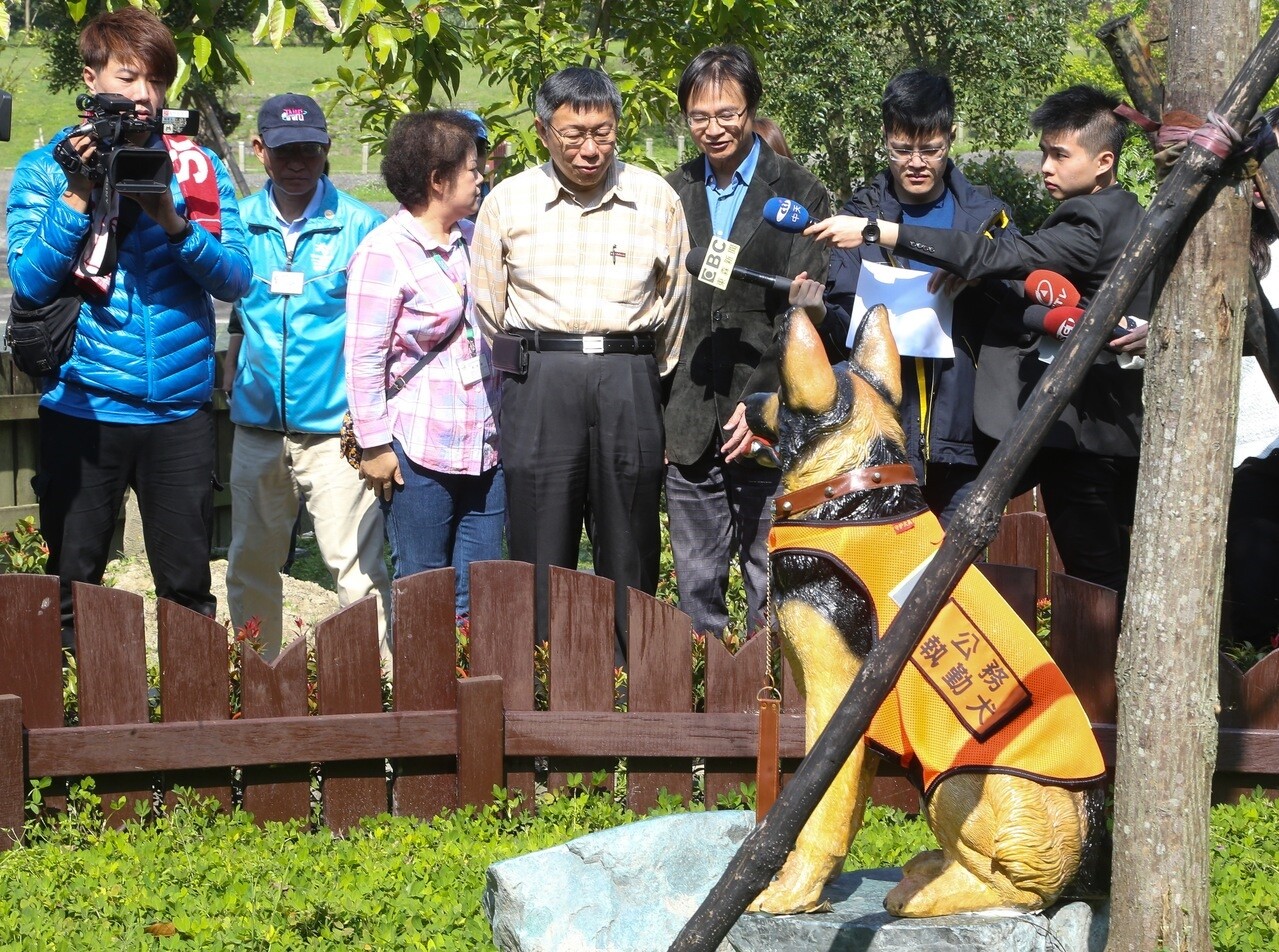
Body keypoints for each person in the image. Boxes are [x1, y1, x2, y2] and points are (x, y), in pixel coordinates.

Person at [807, 85, 1150, 597]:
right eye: (903, 149)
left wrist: (888, 234)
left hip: (1063, 434)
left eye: (1059, 155)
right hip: (891, 427)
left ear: (1104, 161)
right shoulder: (1131, 210)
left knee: (1092, 585)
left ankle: (1099, 676)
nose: (1044, 167)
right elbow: (1041, 299)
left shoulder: (1080, 217)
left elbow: (1002, 261)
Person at [5, 6, 250, 648]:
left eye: (157, 81)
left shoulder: (197, 169)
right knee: (72, 583)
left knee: (188, 591)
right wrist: (80, 192)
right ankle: (69, 725)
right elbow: (30, 282)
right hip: (83, 405)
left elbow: (237, 279)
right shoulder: (45, 169)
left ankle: (189, 733)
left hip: (179, 410)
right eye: (129, 77)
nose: (145, 95)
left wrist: (173, 221)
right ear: (91, 79)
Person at [471, 67, 691, 663]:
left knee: (632, 536)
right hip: (541, 379)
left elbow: (674, 306)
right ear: (544, 131)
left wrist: (644, 374)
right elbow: (489, 310)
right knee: (540, 539)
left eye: (603, 133)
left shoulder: (656, 198)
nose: (590, 149)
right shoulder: (508, 203)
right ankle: (544, 676)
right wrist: (540, 367)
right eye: (573, 135)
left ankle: (634, 679)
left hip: (629, 377)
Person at [663, 45, 830, 638]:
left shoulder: (801, 191)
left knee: (770, 574)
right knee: (695, 582)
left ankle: (774, 708)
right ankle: (699, 704)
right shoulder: (671, 190)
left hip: (768, 416)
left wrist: (761, 401)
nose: (713, 128)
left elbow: (805, 307)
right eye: (699, 116)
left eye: (727, 113)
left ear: (751, 109)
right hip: (687, 415)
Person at [223, 93, 392, 661]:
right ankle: (260, 684)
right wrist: (231, 360)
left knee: (358, 572)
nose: (297, 163)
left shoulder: (364, 228)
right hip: (257, 430)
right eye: (284, 151)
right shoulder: (237, 226)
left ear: (326, 150)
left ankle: (375, 695)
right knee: (249, 565)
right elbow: (240, 315)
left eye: (309, 152)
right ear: (259, 150)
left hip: (336, 432)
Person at [822, 69, 1017, 527]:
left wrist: (978, 280)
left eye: (930, 149)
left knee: (958, 585)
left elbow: (1020, 305)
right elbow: (840, 324)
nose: (916, 162)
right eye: (901, 149)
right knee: (884, 583)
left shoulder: (986, 219)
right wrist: (815, 307)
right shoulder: (858, 218)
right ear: (885, 139)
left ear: (951, 137)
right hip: (878, 443)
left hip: (966, 439)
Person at [346, 111, 504, 622]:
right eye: (472, 168)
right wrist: (374, 444)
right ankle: (426, 698)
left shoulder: (474, 240)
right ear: (439, 180)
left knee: (479, 593)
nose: (481, 177)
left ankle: (473, 696)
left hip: (486, 443)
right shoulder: (384, 252)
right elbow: (363, 358)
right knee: (422, 587)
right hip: (418, 448)